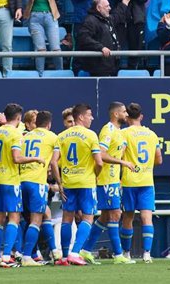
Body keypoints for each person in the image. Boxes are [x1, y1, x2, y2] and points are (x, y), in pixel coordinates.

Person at [0, 103, 45, 267]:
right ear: (19, 118)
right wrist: (36, 158)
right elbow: (16, 158)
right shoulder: (16, 134)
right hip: (10, 181)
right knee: (14, 218)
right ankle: (6, 257)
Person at [79, 102, 135, 265]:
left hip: (113, 180)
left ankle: (85, 250)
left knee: (104, 217)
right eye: (124, 112)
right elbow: (101, 154)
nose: (127, 114)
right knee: (115, 214)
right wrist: (122, 163)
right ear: (116, 114)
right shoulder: (108, 130)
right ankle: (118, 254)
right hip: (105, 179)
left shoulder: (119, 132)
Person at [49, 103, 103, 266]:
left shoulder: (61, 136)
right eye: (89, 115)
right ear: (81, 117)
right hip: (86, 182)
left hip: (68, 183)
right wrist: (95, 176)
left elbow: (53, 163)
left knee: (67, 218)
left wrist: (60, 183)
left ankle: (65, 257)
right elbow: (99, 163)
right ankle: (74, 252)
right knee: (88, 217)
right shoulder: (91, 135)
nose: (92, 118)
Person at [118, 103, 162, 263]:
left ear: (127, 117)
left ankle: (126, 253)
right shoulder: (151, 134)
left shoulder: (124, 133)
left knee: (127, 218)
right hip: (146, 181)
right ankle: (147, 254)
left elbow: (120, 154)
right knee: (146, 218)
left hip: (129, 181)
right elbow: (159, 159)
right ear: (141, 117)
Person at [18, 110, 60, 266]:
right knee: (36, 220)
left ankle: (54, 251)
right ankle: (27, 256)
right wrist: (59, 183)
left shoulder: (25, 136)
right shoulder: (52, 137)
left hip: (21, 181)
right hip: (37, 182)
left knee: (45, 214)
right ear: (49, 124)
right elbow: (54, 163)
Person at [23, 0, 63, 75]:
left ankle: (60, 73)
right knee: (40, 49)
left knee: (55, 48)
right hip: (35, 17)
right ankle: (40, 74)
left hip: (50, 16)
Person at [77, 0, 130, 76]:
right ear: (98, 8)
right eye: (107, 6)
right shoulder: (90, 21)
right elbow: (84, 38)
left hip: (111, 66)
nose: (109, 8)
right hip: (99, 69)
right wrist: (101, 47)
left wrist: (123, 4)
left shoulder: (107, 19)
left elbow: (117, 16)